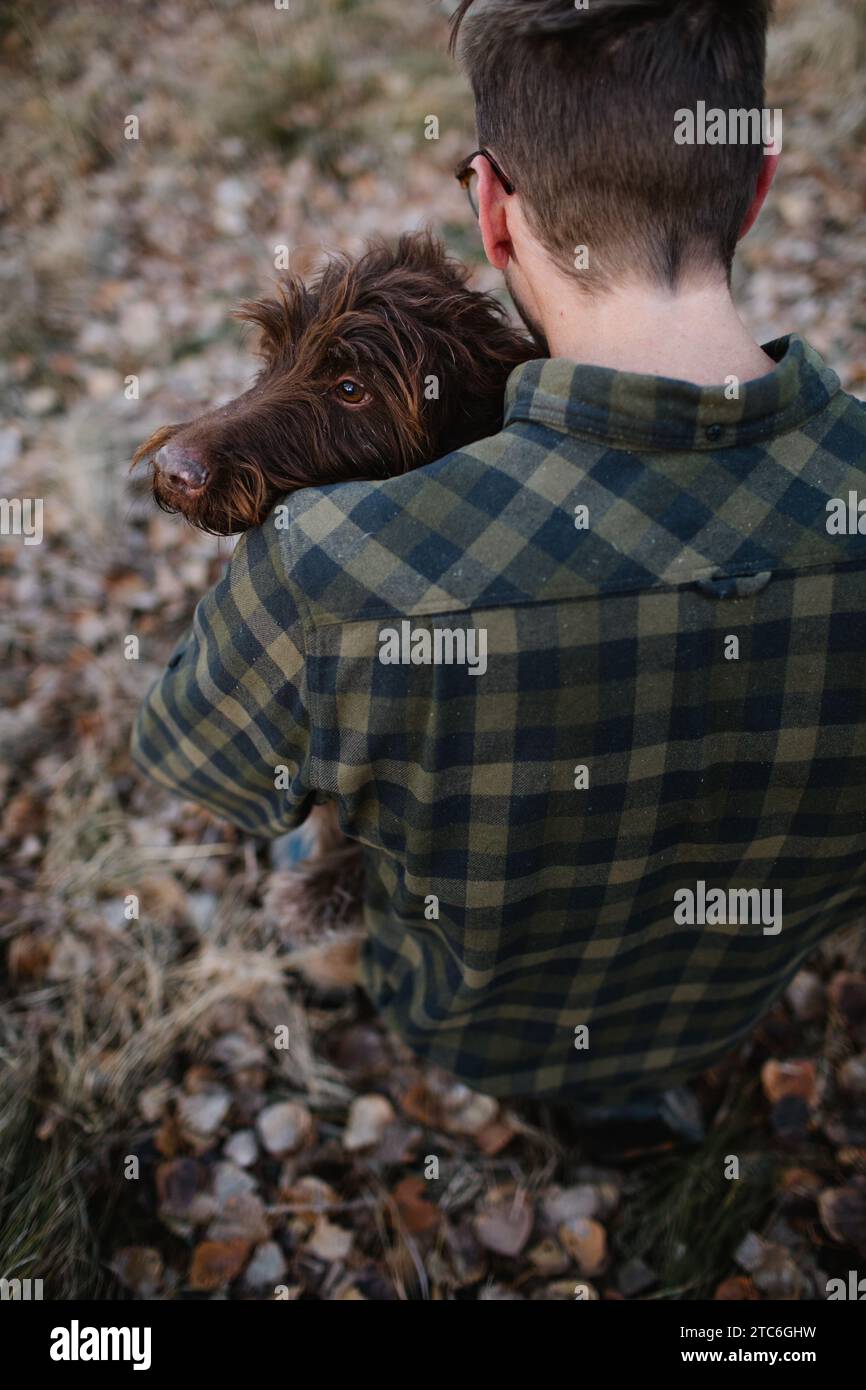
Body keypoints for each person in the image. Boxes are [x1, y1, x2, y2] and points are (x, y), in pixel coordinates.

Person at [132, 0, 866, 1135]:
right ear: (757, 181)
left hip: (464, 1019)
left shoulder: (327, 564)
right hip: (723, 1007)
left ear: (490, 207)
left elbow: (197, 764)